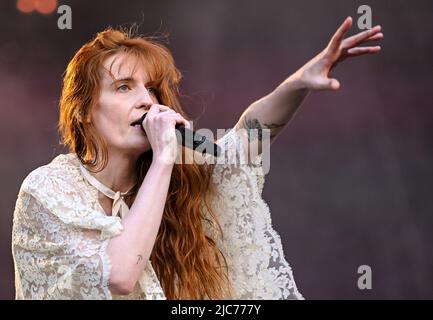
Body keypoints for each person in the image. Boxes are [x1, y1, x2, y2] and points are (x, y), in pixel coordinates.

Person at [12, 16, 383, 300]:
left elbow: (247, 139)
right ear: (84, 112)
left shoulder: (176, 176)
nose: (146, 100)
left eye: (152, 89)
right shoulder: (47, 189)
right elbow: (119, 275)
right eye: (125, 87)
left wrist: (299, 82)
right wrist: (163, 160)